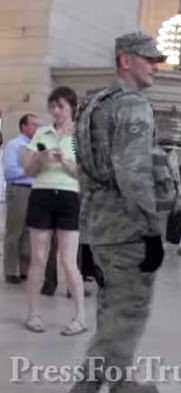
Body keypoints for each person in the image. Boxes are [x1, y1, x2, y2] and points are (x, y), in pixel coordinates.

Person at [69, 32, 174, 393]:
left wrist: (85, 235)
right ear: (125, 60)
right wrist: (150, 231)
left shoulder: (93, 104)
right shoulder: (132, 105)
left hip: (100, 226)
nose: (155, 68)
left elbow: (84, 171)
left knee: (113, 313)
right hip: (126, 229)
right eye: (148, 60)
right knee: (127, 314)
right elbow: (133, 172)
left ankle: (119, 381)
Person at [21, 87, 86, 335]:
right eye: (53, 106)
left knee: (69, 261)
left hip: (69, 196)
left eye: (61, 106)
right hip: (42, 194)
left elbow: (85, 173)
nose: (56, 111)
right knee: (38, 258)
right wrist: (41, 157)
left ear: (72, 108)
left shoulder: (79, 137)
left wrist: (64, 161)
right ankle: (33, 314)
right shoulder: (42, 133)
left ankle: (80, 316)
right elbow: (27, 168)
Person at [3, 114, 40, 283]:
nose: (36, 128)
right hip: (19, 190)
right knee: (15, 231)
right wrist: (30, 170)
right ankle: (11, 271)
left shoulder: (37, 146)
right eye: (33, 125)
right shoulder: (14, 145)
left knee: (28, 232)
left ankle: (24, 270)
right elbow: (10, 172)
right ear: (23, 126)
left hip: (35, 191)